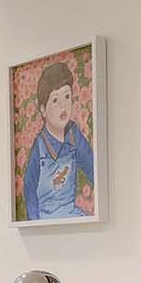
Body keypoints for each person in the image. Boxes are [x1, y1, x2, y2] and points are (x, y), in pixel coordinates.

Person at [20, 60, 95, 220]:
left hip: (71, 214)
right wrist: (35, 223)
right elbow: (29, 188)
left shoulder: (73, 134)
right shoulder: (39, 147)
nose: (63, 105)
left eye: (67, 96)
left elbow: (93, 169)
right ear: (43, 110)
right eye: (55, 100)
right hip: (45, 219)